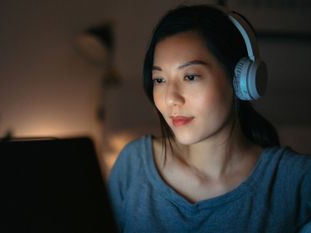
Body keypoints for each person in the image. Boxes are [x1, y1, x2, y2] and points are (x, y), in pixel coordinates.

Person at [107, 4, 311, 233]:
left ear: (240, 80)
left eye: (190, 76)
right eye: (159, 80)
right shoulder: (133, 164)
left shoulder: (296, 180)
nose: (171, 99)